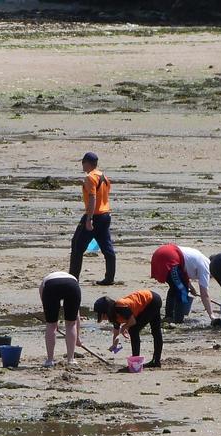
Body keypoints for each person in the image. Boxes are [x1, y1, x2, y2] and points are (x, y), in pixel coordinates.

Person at [68, 151, 115, 286]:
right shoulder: (104, 177)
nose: (82, 165)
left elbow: (93, 198)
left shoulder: (89, 177)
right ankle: (109, 277)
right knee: (107, 247)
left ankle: (73, 278)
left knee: (77, 245)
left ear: (87, 163)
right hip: (106, 215)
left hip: (94, 215)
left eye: (83, 162)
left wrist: (89, 219)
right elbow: (102, 195)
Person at [93, 290, 163, 369]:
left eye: (103, 315)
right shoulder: (113, 316)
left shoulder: (120, 307)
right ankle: (155, 361)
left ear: (107, 311)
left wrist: (124, 327)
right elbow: (116, 333)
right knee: (154, 330)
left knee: (134, 330)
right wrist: (114, 345)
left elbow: (132, 321)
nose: (104, 318)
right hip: (149, 300)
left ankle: (136, 362)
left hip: (151, 301)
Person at [39, 271, 81, 367]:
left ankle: (49, 360)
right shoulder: (72, 279)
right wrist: (77, 337)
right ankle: (71, 359)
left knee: (50, 325)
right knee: (71, 324)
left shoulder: (45, 282)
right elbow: (76, 315)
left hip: (51, 286)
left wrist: (53, 322)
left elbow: (45, 306)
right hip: (72, 286)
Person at [150, 244, 192, 324]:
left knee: (174, 287)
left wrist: (191, 287)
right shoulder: (201, 264)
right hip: (169, 260)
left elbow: (184, 273)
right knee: (182, 290)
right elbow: (204, 292)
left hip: (158, 256)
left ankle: (169, 316)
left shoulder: (190, 257)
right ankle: (179, 319)